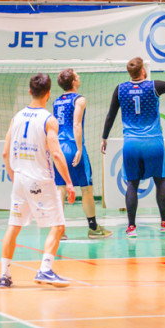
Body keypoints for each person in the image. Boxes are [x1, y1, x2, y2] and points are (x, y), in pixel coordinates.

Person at [0, 73, 75, 289]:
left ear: (30, 92)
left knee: (13, 227)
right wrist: (69, 183)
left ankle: (5, 275)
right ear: (49, 94)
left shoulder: (17, 117)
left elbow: (5, 153)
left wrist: (13, 175)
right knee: (58, 226)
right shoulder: (49, 120)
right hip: (40, 180)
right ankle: (46, 269)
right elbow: (57, 154)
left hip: (20, 179)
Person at [101, 47, 165, 237]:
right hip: (153, 143)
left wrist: (104, 137)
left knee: (132, 184)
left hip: (131, 144)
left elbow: (110, 116)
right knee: (160, 181)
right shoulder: (154, 86)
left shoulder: (120, 89)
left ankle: (131, 226)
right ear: (143, 71)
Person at [52, 68, 112, 239]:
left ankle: (59, 229)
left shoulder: (56, 102)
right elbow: (76, 125)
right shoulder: (79, 99)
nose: (79, 77)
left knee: (60, 188)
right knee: (86, 188)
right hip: (72, 145)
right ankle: (93, 228)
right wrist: (79, 148)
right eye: (77, 76)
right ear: (73, 82)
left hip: (58, 145)